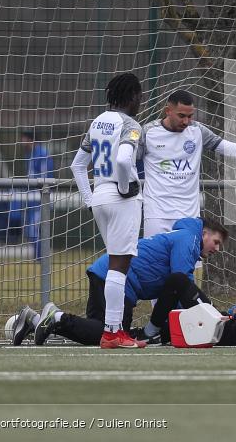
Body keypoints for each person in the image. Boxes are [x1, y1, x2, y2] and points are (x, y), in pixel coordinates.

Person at [12, 217, 226, 346]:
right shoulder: (189, 239)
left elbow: (178, 291)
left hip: (107, 274)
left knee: (97, 333)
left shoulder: (186, 236)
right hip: (115, 279)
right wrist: (209, 314)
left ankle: (35, 319)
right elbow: (181, 285)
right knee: (109, 336)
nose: (216, 248)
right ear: (204, 233)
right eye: (216, 242)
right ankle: (56, 316)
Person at [69, 72, 147, 349]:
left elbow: (77, 166)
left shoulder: (98, 121)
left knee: (116, 263)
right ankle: (113, 331)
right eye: (140, 96)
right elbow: (125, 160)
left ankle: (113, 332)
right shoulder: (131, 124)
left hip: (100, 195)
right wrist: (126, 187)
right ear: (134, 96)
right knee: (119, 266)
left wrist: (89, 200)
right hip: (120, 197)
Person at [141, 89, 236, 238]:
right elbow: (127, 160)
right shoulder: (148, 132)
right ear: (168, 111)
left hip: (189, 215)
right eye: (181, 116)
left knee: (189, 261)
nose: (186, 121)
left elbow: (229, 148)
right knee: (155, 261)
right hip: (157, 214)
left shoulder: (197, 131)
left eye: (190, 116)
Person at [19, 131, 55, 258]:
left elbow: (45, 176)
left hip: (40, 197)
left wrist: (43, 194)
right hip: (31, 197)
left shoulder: (42, 153)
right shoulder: (29, 154)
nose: (23, 142)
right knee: (30, 227)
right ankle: (38, 255)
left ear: (31, 139)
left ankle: (41, 256)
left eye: (24, 139)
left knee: (35, 228)